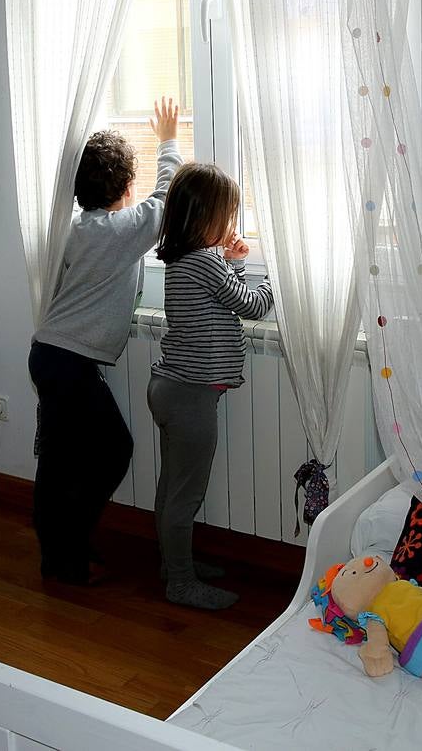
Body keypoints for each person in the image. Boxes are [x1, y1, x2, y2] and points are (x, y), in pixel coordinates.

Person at [29, 98, 182, 585]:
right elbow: (166, 201)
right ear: (125, 187)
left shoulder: (74, 228)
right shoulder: (119, 230)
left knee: (59, 460)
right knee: (113, 449)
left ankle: (60, 549)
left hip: (51, 355)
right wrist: (169, 141)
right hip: (68, 361)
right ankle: (66, 551)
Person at [148, 163, 274, 609]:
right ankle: (180, 583)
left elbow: (222, 294)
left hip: (172, 388)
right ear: (205, 219)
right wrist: (271, 276)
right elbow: (250, 305)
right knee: (186, 495)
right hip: (190, 396)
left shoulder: (187, 259)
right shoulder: (204, 262)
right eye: (229, 215)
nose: (233, 225)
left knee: (171, 489)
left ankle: (173, 565)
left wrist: (233, 261)